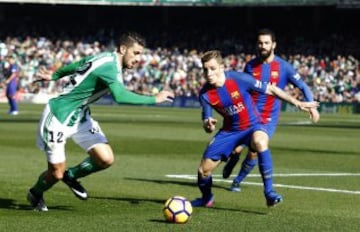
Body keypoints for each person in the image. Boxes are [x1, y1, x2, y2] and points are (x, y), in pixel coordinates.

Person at [27, 32, 174, 212]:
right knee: (55, 173)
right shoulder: (110, 68)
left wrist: (56, 75)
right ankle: (35, 193)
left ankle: (70, 175)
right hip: (59, 116)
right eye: (136, 53)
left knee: (105, 159)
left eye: (140, 54)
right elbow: (120, 96)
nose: (138, 59)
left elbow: (80, 64)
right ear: (123, 49)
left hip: (80, 116)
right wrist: (154, 99)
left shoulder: (105, 57)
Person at [191, 50, 318, 208]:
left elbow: (271, 89)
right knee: (203, 171)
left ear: (222, 67)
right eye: (205, 69)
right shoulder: (205, 94)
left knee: (260, 142)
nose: (208, 73)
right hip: (229, 132)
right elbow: (207, 123)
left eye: (212, 68)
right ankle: (206, 198)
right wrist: (208, 124)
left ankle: (269, 193)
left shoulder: (239, 79)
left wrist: (297, 103)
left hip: (253, 126)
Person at [222, 28, 320, 192]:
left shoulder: (284, 67)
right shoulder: (250, 66)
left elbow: (302, 86)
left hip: (268, 117)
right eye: (260, 43)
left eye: (266, 43)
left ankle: (237, 181)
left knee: (255, 149)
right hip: (248, 113)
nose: (263, 46)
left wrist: (311, 106)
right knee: (235, 148)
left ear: (274, 45)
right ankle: (233, 157)